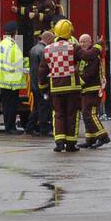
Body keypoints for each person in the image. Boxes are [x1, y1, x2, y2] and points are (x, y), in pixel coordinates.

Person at [39, 19, 81, 152]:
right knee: (71, 114)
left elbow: (42, 70)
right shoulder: (73, 47)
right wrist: (97, 47)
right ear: (69, 32)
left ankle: (59, 142)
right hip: (72, 87)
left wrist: (42, 86)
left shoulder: (47, 49)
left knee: (58, 114)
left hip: (56, 87)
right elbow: (86, 56)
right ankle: (71, 144)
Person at [76, 33, 110, 148]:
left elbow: (89, 74)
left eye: (85, 41)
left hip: (93, 90)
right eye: (80, 42)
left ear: (90, 42)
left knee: (91, 114)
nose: (82, 44)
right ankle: (90, 139)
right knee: (86, 114)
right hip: (86, 90)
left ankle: (103, 136)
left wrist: (77, 83)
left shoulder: (93, 56)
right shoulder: (85, 55)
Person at [0, 21, 26, 133]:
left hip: (3, 80)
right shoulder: (12, 45)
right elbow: (18, 62)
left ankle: (8, 126)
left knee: (6, 105)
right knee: (11, 106)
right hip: (11, 81)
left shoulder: (2, 43)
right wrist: (28, 66)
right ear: (15, 33)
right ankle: (11, 128)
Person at [26, 30, 54, 136]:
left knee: (37, 107)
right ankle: (44, 129)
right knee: (44, 107)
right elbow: (44, 70)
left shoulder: (34, 49)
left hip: (34, 83)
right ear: (48, 39)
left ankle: (29, 127)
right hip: (41, 84)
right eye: (52, 40)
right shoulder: (44, 50)